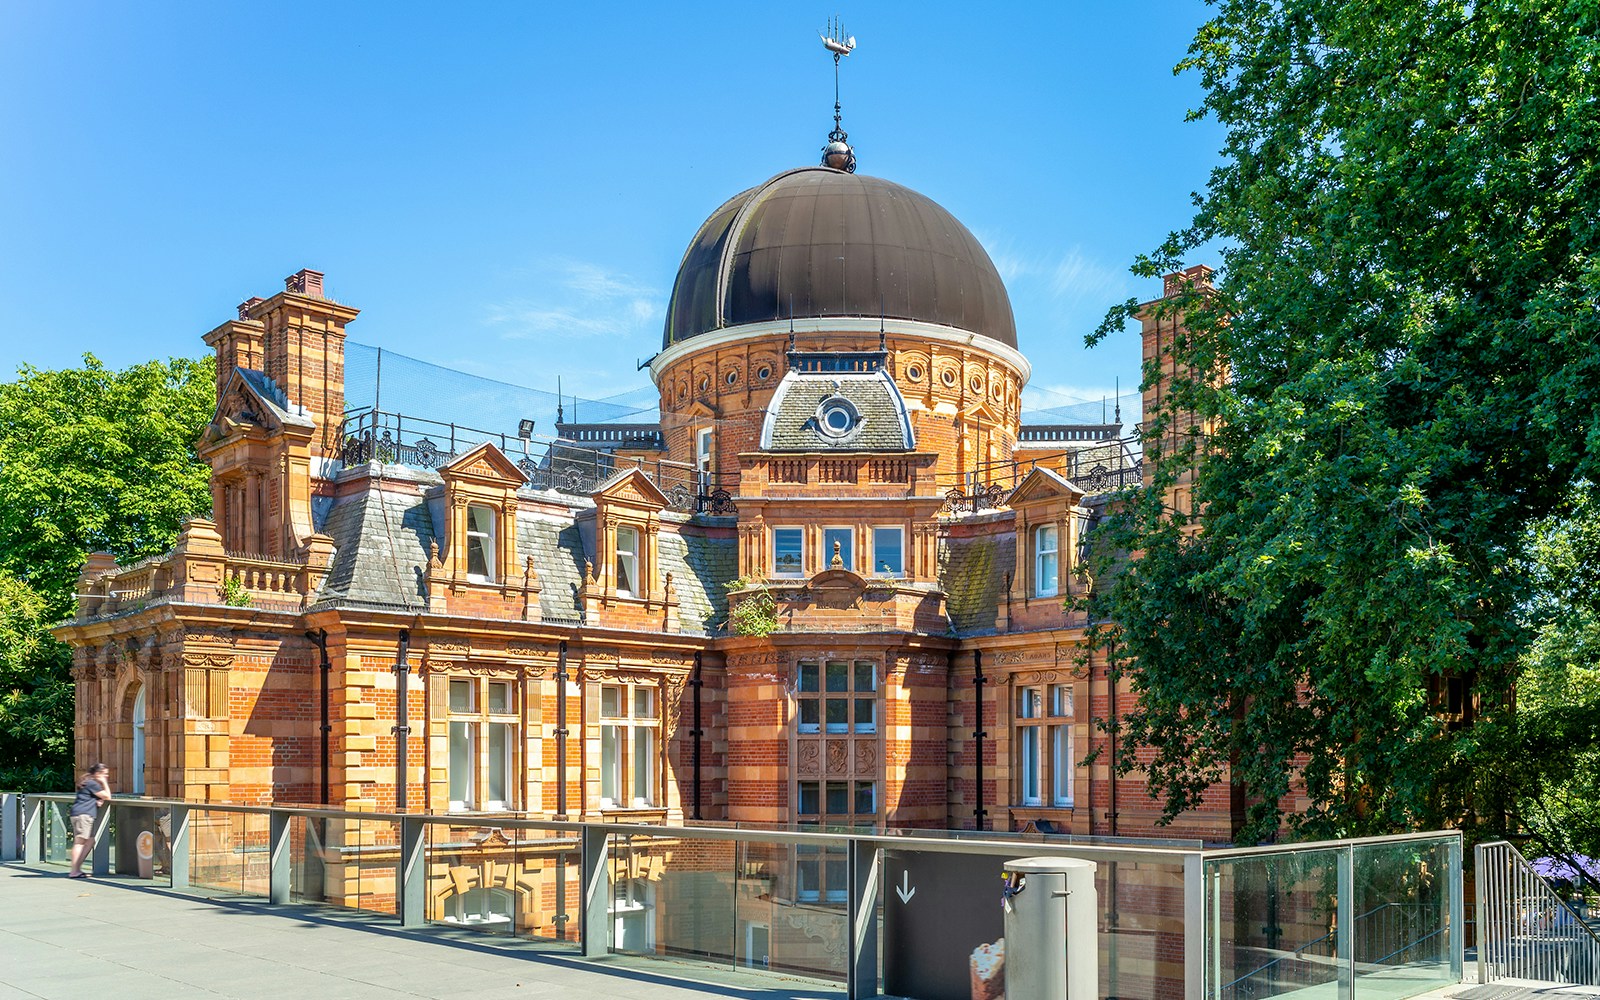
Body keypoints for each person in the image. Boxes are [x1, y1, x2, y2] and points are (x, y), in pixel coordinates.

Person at [67, 763, 111, 879]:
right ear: (97, 774)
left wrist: (97, 800)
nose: (106, 776)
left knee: (90, 841)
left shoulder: (87, 782)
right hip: (84, 815)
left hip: (79, 814)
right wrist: (104, 784)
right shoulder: (92, 783)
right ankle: (74, 871)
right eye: (104, 774)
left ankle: (77, 868)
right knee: (80, 842)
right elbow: (107, 796)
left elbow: (89, 797)